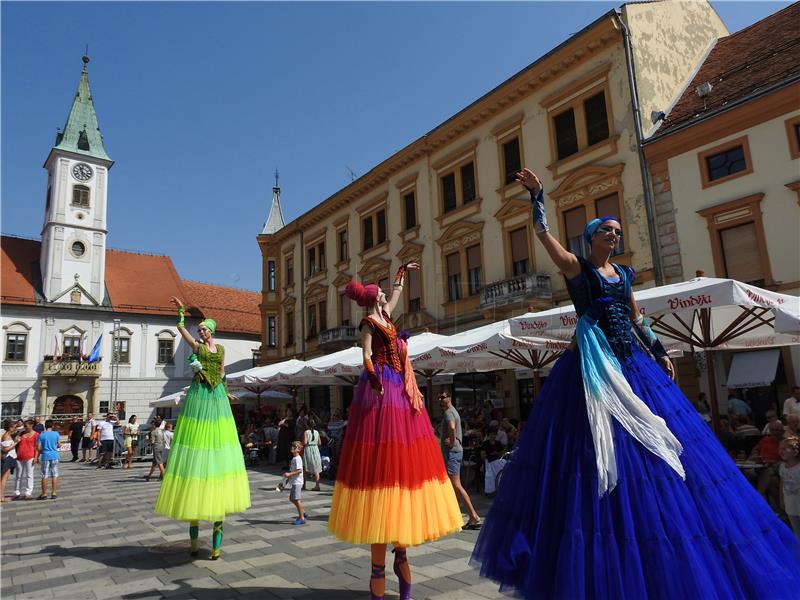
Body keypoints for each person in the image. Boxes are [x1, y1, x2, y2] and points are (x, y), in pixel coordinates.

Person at [471, 168, 800, 598]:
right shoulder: (578, 270)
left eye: (618, 232)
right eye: (607, 231)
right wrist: (538, 196)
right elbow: (542, 235)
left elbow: (636, 319)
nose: (614, 237)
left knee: (662, 453)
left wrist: (660, 350)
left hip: (632, 365)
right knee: (591, 455)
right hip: (592, 371)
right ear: (590, 238)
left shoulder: (624, 276)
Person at [328, 265, 462, 600]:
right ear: (375, 300)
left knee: (403, 457)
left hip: (400, 392)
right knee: (383, 458)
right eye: (383, 292)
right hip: (384, 391)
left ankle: (402, 582)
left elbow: (398, 295)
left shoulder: (386, 315)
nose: (388, 294)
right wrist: (374, 382)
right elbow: (366, 357)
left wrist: (402, 275)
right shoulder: (370, 322)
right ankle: (381, 580)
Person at [154, 298, 250, 561]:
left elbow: (221, 372)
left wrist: (226, 393)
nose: (201, 333)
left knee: (218, 439)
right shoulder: (196, 346)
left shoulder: (219, 349)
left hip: (216, 394)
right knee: (199, 438)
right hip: (200, 393)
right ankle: (195, 544)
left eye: (204, 330)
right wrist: (182, 314)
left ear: (212, 331)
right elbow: (181, 332)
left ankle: (216, 547)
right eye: (200, 331)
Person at [439, 391, 482, 529]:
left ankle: (473, 516)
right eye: (439, 398)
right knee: (452, 486)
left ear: (449, 398)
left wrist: (451, 442)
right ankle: (456, 516)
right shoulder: (453, 411)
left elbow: (452, 427)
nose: (440, 400)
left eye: (443, 397)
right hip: (455, 452)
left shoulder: (448, 413)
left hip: (452, 452)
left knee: (456, 485)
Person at [779, 436, 800, 538]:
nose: (781, 451)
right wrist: (782, 499)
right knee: (796, 530)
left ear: (795, 452)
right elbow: (782, 483)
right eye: (780, 448)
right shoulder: (782, 467)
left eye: (784, 449)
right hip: (790, 504)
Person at [14, 420, 38, 500]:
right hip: (19, 456)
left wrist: (36, 457)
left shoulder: (36, 434)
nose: (24, 427)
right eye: (24, 425)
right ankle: (17, 492)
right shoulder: (21, 433)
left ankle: (28, 492)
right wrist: (16, 440)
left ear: (31, 425)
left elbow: (37, 447)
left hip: (30, 457)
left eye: (26, 425)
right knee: (18, 475)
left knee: (29, 475)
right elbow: (16, 442)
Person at [37, 420, 60, 500]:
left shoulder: (41, 435)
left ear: (45, 426)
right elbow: (59, 444)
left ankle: (44, 494)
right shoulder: (56, 434)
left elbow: (39, 448)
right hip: (54, 455)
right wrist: (54, 446)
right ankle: (54, 493)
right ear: (52, 426)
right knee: (54, 474)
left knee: (44, 475)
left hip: (45, 455)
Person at [284, 441, 306, 525]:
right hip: (294, 481)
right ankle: (302, 512)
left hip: (297, 482)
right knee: (292, 499)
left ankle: (302, 518)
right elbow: (293, 470)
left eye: (294, 446)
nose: (292, 447)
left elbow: (300, 470)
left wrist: (289, 474)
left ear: (299, 449)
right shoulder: (294, 458)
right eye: (292, 446)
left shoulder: (297, 459)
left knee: (296, 499)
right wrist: (285, 481)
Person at [481, 427, 506, 496]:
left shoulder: (498, 443)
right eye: (491, 434)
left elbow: (502, 452)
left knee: (505, 463)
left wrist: (497, 453)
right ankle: (492, 488)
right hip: (490, 460)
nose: (493, 436)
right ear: (489, 435)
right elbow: (482, 455)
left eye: (494, 434)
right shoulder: (485, 443)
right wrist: (490, 454)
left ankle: (502, 485)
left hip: (498, 459)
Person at [1, 420, 19, 502]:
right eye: (14, 427)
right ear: (10, 428)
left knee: (4, 478)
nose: (15, 429)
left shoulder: (8, 435)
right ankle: (1, 497)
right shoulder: (6, 436)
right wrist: (16, 443)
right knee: (4, 478)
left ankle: (1, 496)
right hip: (8, 458)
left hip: (9, 458)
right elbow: (6, 449)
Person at [302, 417, 322, 491]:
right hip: (315, 449)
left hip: (308, 449)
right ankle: (317, 485)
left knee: (306, 468)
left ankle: (304, 485)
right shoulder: (317, 432)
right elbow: (319, 443)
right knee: (316, 469)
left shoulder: (306, 432)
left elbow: (305, 442)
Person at [145, 417, 166, 481]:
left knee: (159, 462)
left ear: (154, 425)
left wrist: (147, 440)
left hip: (156, 447)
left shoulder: (153, 432)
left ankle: (164, 476)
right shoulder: (162, 431)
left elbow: (152, 442)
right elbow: (164, 439)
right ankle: (149, 476)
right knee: (154, 463)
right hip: (161, 446)